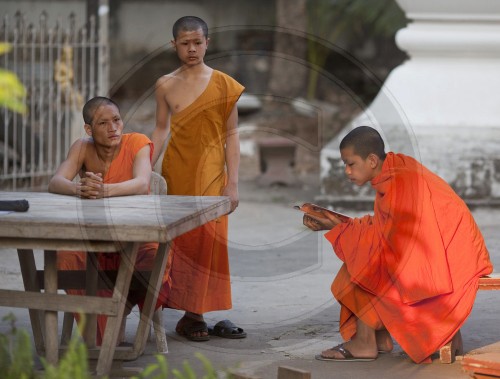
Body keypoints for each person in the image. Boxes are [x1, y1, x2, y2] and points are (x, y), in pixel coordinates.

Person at [302, 126, 493, 363]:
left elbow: (395, 241)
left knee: (363, 261)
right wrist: (337, 223)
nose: (346, 171)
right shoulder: (394, 170)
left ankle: (365, 342)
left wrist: (343, 231)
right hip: (447, 249)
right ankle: (378, 337)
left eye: (350, 164)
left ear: (372, 160)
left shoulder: (400, 182)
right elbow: (388, 228)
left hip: (454, 259)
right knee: (362, 249)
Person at [151, 16, 246, 341]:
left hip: (210, 175)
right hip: (176, 173)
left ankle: (195, 315)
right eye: (184, 43)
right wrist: (144, 173)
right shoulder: (165, 84)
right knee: (176, 242)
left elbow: (231, 136)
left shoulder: (225, 85)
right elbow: (162, 130)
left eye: (197, 42)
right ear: (174, 45)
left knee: (207, 242)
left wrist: (232, 182)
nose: (191, 49)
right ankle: (172, 309)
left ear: (208, 43)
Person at [48, 96, 160, 345]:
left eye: (117, 120)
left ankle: (121, 309)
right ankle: (98, 326)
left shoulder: (137, 142)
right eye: (103, 123)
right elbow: (56, 182)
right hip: (95, 235)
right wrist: (79, 189)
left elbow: (142, 183)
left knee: (155, 257)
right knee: (65, 257)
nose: (113, 128)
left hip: (136, 234)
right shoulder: (82, 147)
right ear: (89, 129)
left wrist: (102, 190)